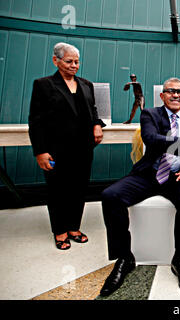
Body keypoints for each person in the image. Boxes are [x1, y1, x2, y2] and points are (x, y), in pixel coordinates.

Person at [99, 78, 180, 297]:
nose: (176, 95)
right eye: (171, 91)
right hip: (149, 174)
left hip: (177, 175)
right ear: (162, 95)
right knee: (110, 196)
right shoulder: (150, 114)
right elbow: (151, 138)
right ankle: (124, 258)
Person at [28, 42, 105, 250]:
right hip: (55, 149)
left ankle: (74, 227)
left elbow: (93, 109)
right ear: (56, 60)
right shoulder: (43, 84)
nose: (74, 66)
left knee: (79, 188)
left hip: (83, 148)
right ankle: (60, 231)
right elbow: (36, 121)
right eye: (69, 61)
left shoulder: (86, 84)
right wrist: (40, 151)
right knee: (57, 190)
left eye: (77, 62)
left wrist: (97, 124)